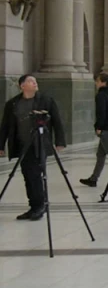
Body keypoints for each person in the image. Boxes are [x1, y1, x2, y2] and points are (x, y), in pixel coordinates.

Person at [0, 75, 66, 221]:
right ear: (22, 85)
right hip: (22, 145)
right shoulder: (13, 103)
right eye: (30, 81)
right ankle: (34, 206)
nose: (35, 83)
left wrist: (60, 141)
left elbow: (57, 121)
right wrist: (1, 145)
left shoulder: (46, 100)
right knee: (28, 176)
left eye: (35, 81)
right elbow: (5, 125)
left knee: (35, 175)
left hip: (39, 144)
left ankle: (39, 206)